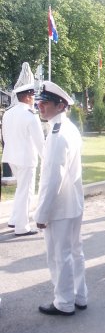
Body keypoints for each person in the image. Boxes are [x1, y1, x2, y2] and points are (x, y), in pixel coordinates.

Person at [34, 81, 87, 316]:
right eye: (39, 102)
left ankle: (64, 302)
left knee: (59, 255)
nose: (40, 107)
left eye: (45, 103)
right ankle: (79, 295)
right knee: (74, 251)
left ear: (60, 105)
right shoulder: (69, 128)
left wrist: (41, 213)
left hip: (59, 206)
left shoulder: (57, 134)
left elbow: (52, 179)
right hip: (72, 202)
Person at [1, 83, 44, 236]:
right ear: (26, 97)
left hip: (11, 156)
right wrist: (46, 160)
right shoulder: (30, 115)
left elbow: (5, 137)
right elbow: (40, 142)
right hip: (26, 159)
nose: (34, 98)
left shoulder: (8, 113)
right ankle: (22, 227)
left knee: (21, 189)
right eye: (32, 96)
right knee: (26, 192)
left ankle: (14, 219)